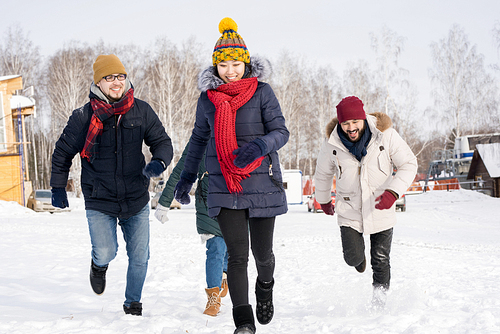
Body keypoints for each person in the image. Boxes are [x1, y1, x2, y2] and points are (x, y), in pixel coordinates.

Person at [173, 18, 289, 334]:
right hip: (225, 185)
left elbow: (281, 131)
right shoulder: (207, 100)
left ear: (245, 62)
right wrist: (187, 178)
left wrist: (259, 147)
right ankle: (244, 323)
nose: (231, 71)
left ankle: (266, 286)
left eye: (236, 63)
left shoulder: (263, 93)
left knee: (262, 255)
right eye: (224, 65)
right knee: (236, 257)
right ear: (216, 66)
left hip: (262, 183)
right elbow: (198, 139)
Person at [50, 54, 173, 316]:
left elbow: (162, 141)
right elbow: (62, 153)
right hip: (99, 196)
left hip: (135, 196)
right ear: (98, 82)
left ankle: (133, 303)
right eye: (109, 77)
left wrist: (159, 162)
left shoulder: (141, 110)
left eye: (120, 76)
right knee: (106, 250)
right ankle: (99, 265)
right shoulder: (83, 117)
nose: (116, 82)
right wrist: (58, 187)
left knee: (140, 256)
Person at [314, 96, 417, 309]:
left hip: (380, 206)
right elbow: (323, 173)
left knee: (380, 260)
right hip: (349, 208)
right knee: (352, 258)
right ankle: (358, 260)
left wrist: (393, 192)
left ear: (363, 119)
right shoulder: (332, 142)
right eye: (345, 123)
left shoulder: (385, 136)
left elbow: (408, 164)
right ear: (340, 123)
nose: (351, 128)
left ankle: (379, 303)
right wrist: (323, 199)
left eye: (355, 122)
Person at [154, 141, 229, 316]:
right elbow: (182, 169)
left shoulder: (242, 127)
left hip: (237, 197)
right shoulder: (203, 134)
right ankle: (213, 296)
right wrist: (164, 202)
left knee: (231, 246)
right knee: (216, 247)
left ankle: (224, 273)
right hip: (208, 200)